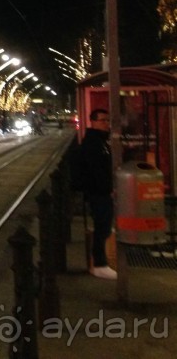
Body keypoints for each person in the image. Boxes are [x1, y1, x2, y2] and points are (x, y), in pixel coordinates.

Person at [80, 108, 116, 280]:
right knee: (102, 226)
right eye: (102, 120)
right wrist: (107, 189)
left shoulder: (100, 140)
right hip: (98, 192)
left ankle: (100, 264)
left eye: (108, 120)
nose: (106, 124)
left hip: (101, 191)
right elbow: (96, 170)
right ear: (93, 122)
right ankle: (99, 264)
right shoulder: (93, 143)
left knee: (104, 226)